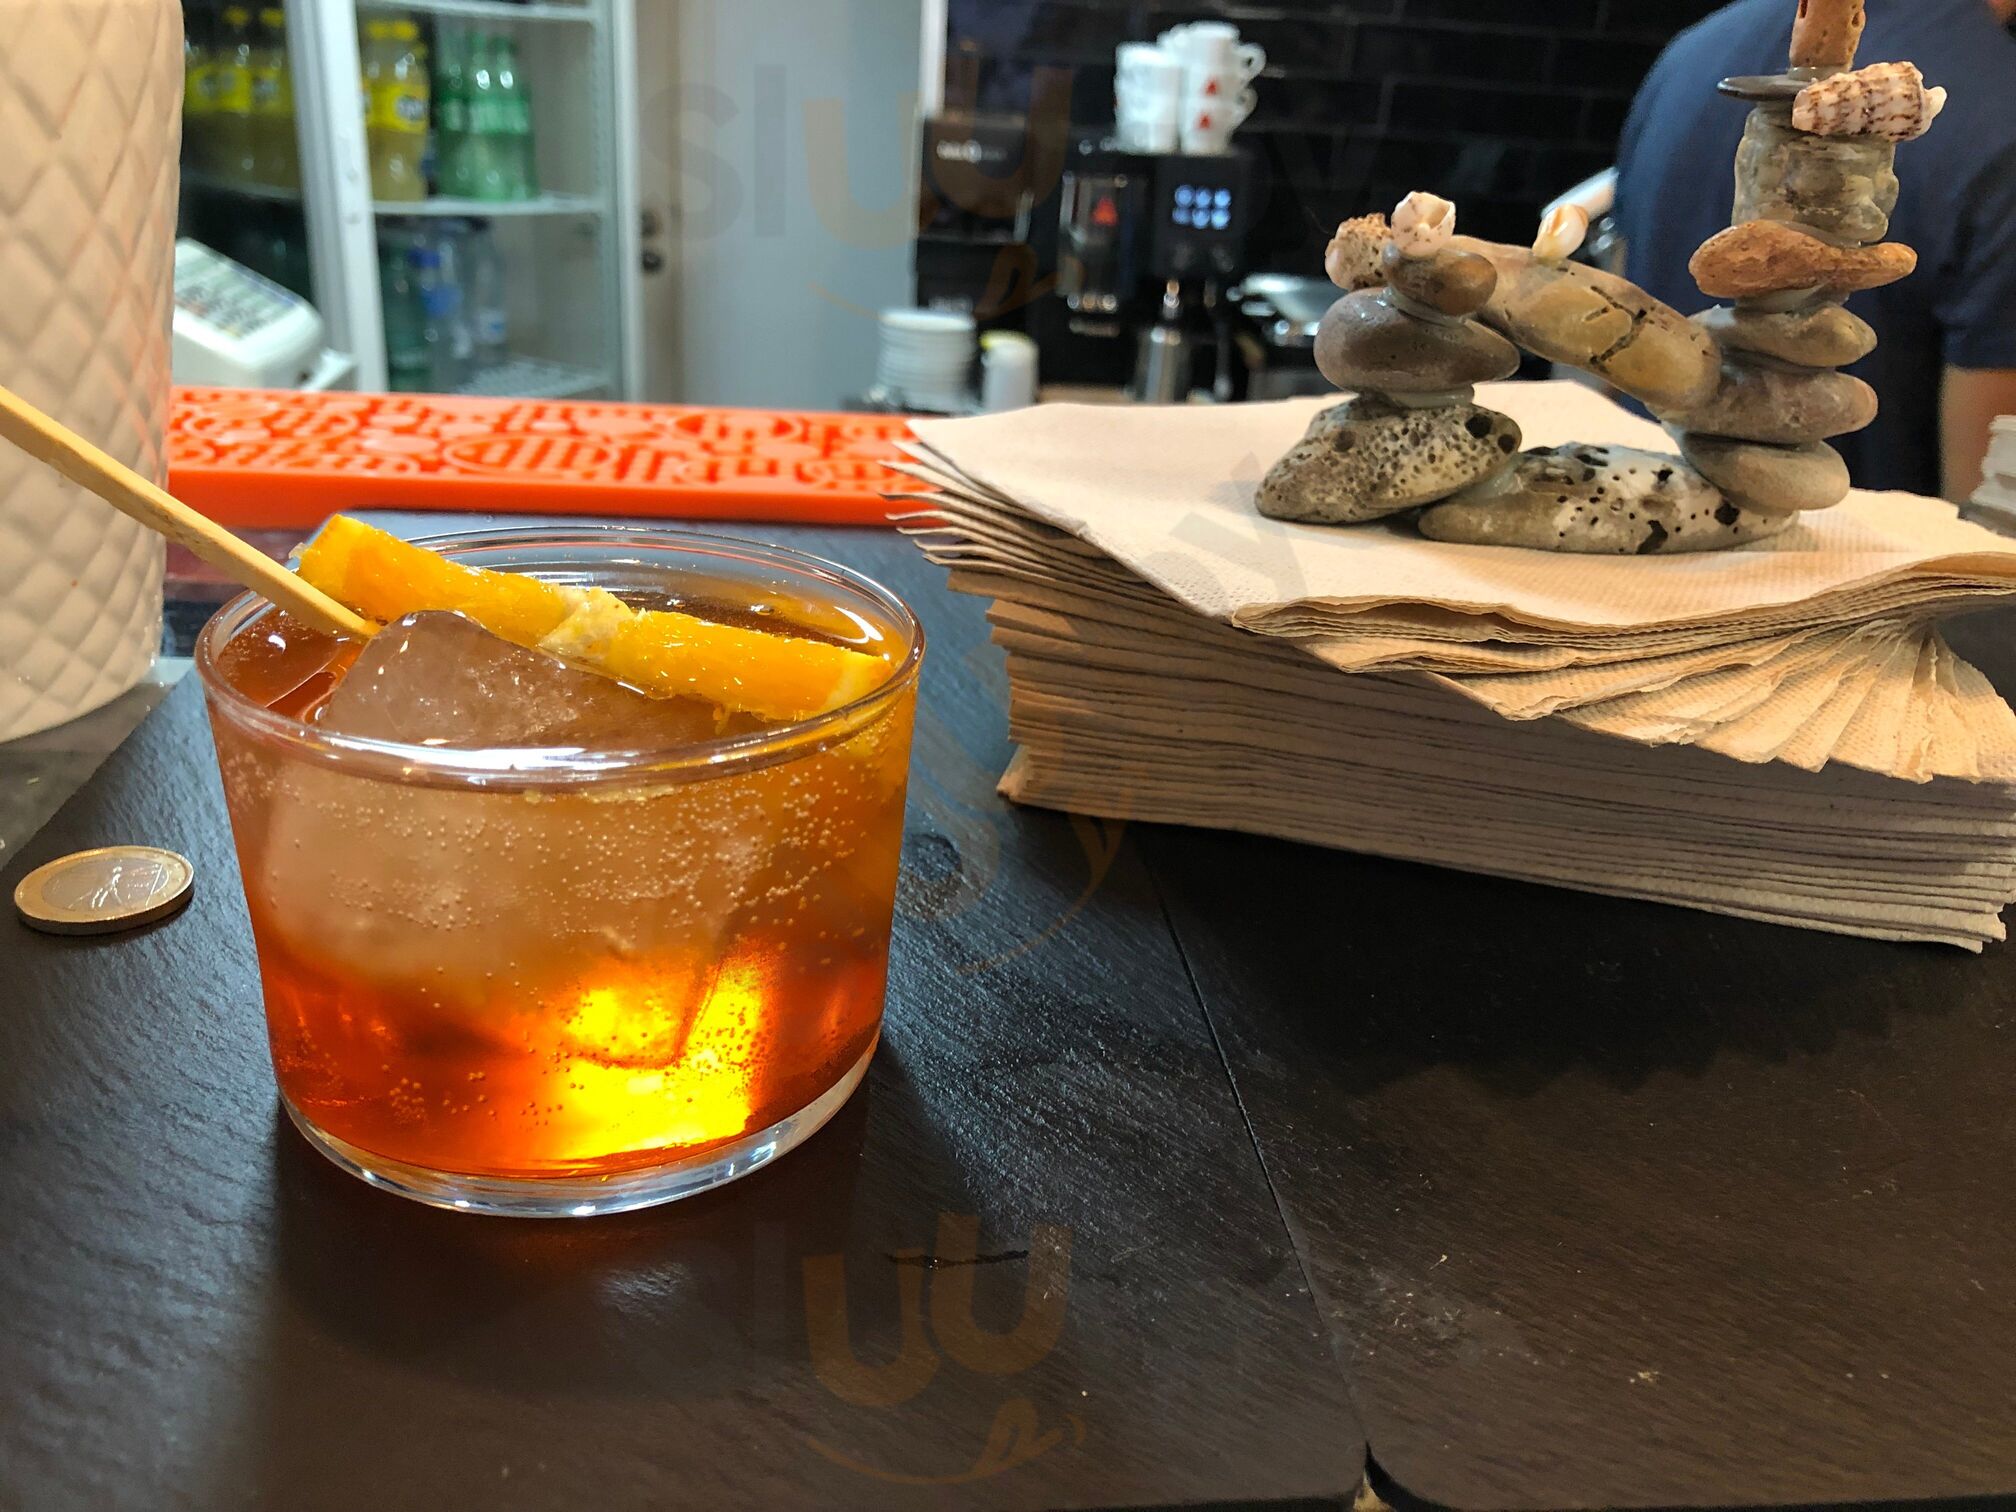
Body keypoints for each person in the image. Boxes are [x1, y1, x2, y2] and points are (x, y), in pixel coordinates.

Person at [1616, 0, 2016, 502]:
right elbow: (1989, 501)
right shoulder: (2001, 106)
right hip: (1848, 539)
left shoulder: (1692, 49)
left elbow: (1623, 300)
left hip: (1645, 497)